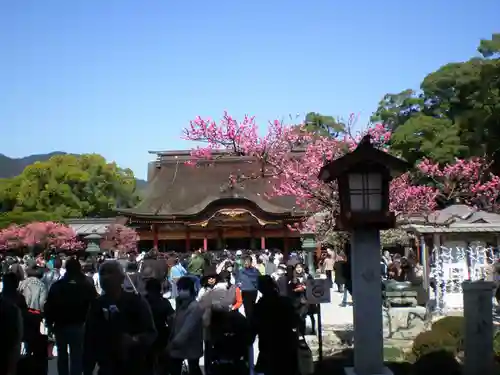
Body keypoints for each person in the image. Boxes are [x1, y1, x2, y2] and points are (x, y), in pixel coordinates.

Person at [83, 260, 157, 375]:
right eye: (102, 273)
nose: (106, 277)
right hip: (107, 367)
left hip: (134, 366)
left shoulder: (136, 302)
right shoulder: (97, 305)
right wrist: (87, 368)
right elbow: (89, 339)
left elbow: (151, 333)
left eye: (110, 272)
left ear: (122, 278)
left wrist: (134, 340)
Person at [45, 258, 98, 375]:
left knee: (62, 354)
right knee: (76, 355)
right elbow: (95, 304)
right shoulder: (86, 285)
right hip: (79, 324)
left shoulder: (57, 286)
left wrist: (49, 323)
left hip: (60, 325)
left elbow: (49, 306)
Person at [251, 275, 299, 375]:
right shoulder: (285, 301)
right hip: (287, 344)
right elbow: (296, 321)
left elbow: (253, 328)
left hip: (268, 347)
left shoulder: (259, 306)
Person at [167, 276, 204, 375]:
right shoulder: (181, 305)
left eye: (184, 289)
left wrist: (174, 343)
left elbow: (188, 328)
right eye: (179, 289)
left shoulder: (195, 307)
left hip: (191, 345)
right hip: (180, 346)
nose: (181, 291)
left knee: (193, 369)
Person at [144, 278, 174, 375]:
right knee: (161, 365)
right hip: (161, 335)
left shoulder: (142, 301)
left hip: (146, 336)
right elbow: (171, 320)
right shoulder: (164, 302)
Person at [234, 256, 259, 320]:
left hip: (253, 291)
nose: (246, 263)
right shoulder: (241, 271)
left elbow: (257, 280)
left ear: (251, 262)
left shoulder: (255, 271)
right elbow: (237, 280)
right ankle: (249, 321)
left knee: (252, 307)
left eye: (248, 261)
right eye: (245, 262)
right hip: (245, 291)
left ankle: (252, 321)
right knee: (247, 308)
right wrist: (238, 284)